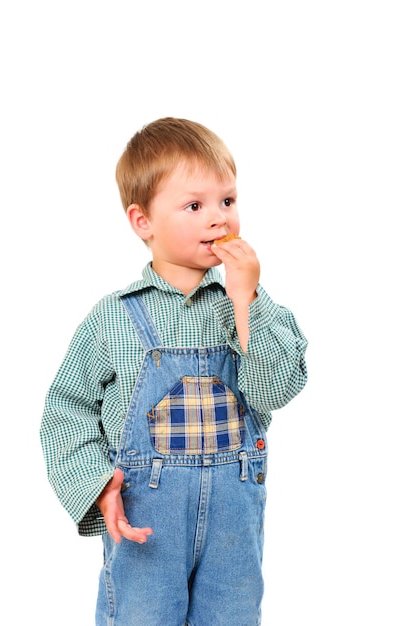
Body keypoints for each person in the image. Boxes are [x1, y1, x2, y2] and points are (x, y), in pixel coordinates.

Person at [40, 117, 308, 626]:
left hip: (234, 516)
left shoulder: (247, 305)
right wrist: (96, 484)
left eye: (227, 201)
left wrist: (247, 297)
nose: (218, 218)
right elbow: (65, 408)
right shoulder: (115, 316)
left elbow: (276, 388)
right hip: (147, 514)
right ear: (143, 221)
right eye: (195, 205)